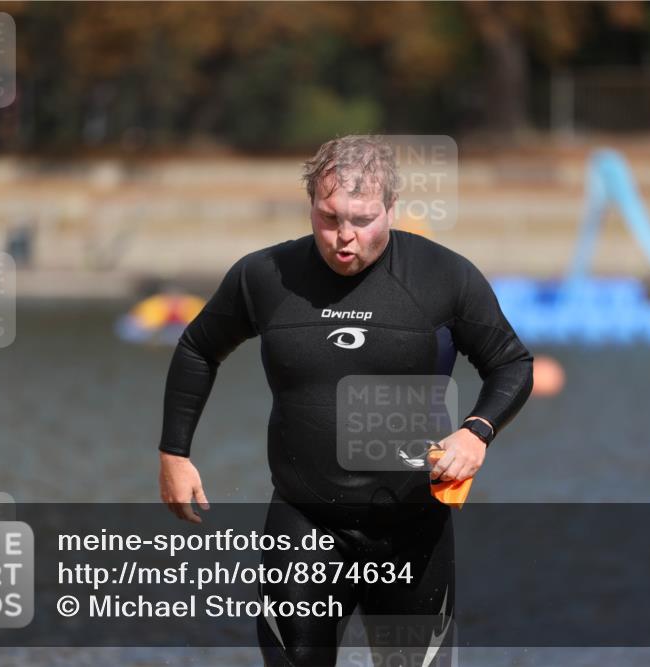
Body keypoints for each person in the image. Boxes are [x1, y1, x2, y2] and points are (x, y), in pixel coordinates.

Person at [158, 135, 533, 666]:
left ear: (392, 210)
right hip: (304, 523)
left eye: (362, 219)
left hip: (412, 529)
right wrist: (174, 453)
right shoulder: (264, 276)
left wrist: (477, 430)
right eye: (329, 217)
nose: (343, 237)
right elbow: (198, 347)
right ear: (311, 205)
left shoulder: (443, 277)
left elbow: (512, 364)